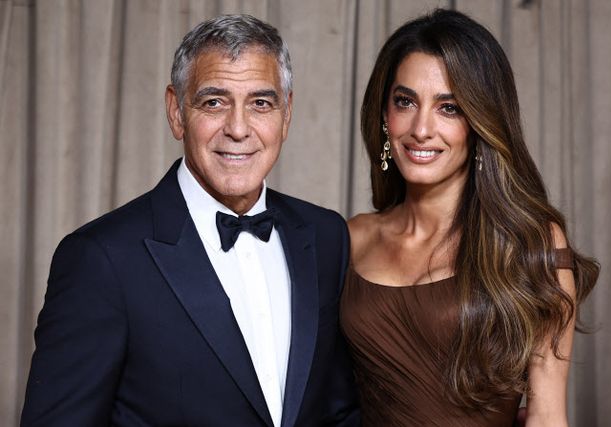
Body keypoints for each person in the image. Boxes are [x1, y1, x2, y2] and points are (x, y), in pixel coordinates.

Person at [21, 14, 359, 427]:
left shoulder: (326, 236)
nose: (238, 129)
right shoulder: (101, 259)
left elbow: (338, 412)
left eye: (260, 103)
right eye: (214, 102)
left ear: (286, 114)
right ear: (176, 111)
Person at [340, 8, 599, 427]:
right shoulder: (351, 238)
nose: (421, 129)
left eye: (449, 108)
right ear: (384, 115)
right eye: (405, 102)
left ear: (480, 122)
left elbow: (547, 417)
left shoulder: (530, 243)